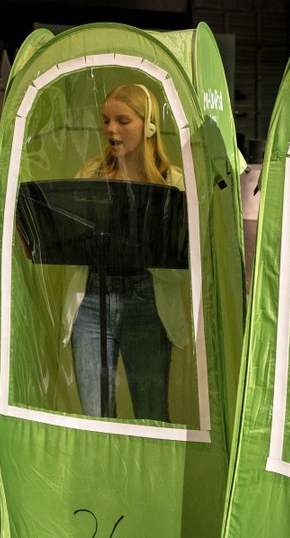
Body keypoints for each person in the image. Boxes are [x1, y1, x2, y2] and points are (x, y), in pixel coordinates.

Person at [62, 83, 189, 421]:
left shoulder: (172, 182)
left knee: (151, 414)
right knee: (95, 417)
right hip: (91, 303)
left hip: (146, 304)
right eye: (106, 120)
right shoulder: (90, 174)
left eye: (122, 120)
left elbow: (184, 263)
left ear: (149, 126)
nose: (111, 129)